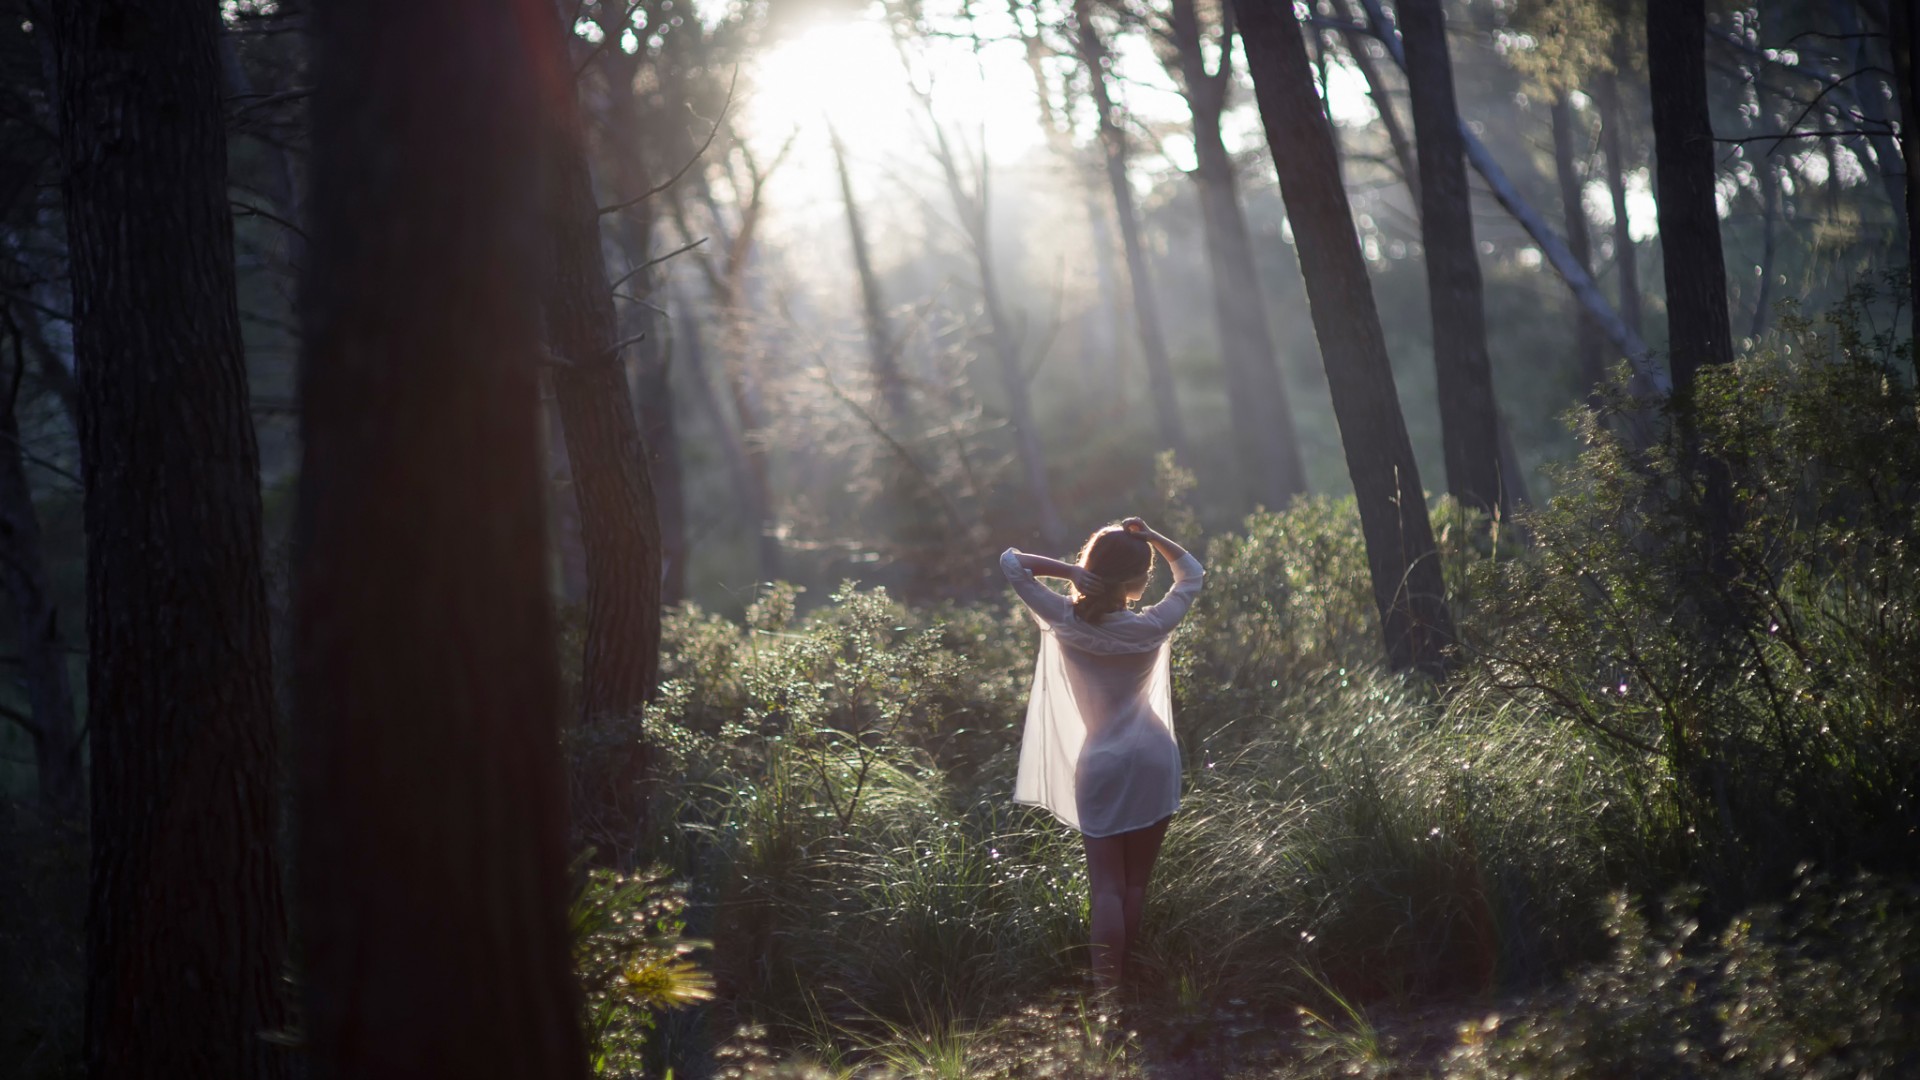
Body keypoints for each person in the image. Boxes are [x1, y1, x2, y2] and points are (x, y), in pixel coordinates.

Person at [998, 516, 1204, 990]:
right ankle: (1135, 983)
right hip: (1154, 756)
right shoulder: (1152, 624)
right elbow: (1191, 573)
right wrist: (1152, 536)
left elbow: (1012, 563)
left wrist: (1068, 574)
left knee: (1106, 887)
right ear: (1137, 580)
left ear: (1091, 568)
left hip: (1102, 764)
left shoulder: (1063, 617)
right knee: (1135, 884)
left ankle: (1109, 998)